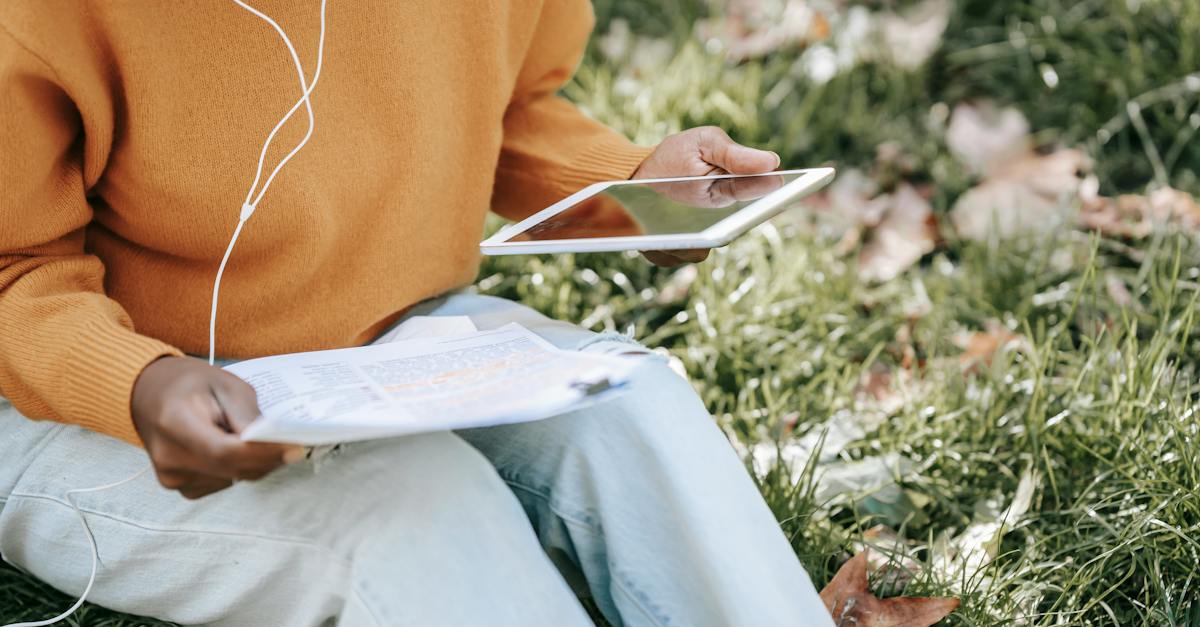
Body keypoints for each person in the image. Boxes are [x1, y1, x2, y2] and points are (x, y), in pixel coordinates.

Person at [0, 2, 833, 625]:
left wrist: (632, 188)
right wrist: (138, 384)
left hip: (388, 339)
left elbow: (498, 110)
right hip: (89, 403)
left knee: (630, 401)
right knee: (424, 507)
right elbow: (12, 267)